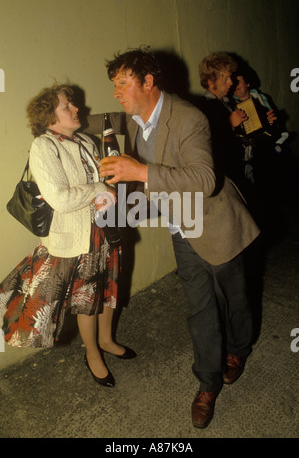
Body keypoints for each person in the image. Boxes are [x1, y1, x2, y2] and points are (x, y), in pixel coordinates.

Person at [84, 47, 260, 428]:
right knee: (200, 308)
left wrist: (141, 171)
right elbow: (147, 186)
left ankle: (239, 349)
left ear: (148, 82)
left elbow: (204, 179)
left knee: (236, 297)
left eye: (123, 84)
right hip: (183, 228)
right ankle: (207, 383)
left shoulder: (188, 118)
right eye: (114, 85)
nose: (116, 92)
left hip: (215, 222)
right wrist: (113, 200)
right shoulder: (131, 124)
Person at [0, 84, 136, 388]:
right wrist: (100, 189)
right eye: (67, 107)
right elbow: (60, 199)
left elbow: (101, 178)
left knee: (109, 291)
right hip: (77, 238)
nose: (76, 109)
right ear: (50, 118)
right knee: (87, 299)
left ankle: (106, 339)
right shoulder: (44, 146)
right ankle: (92, 355)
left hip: (105, 228)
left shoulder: (85, 141)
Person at [199, 53, 251, 198]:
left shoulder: (228, 102)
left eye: (230, 77)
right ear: (210, 81)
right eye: (226, 78)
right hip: (227, 178)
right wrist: (230, 123)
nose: (231, 82)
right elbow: (211, 145)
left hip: (243, 168)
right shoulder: (205, 107)